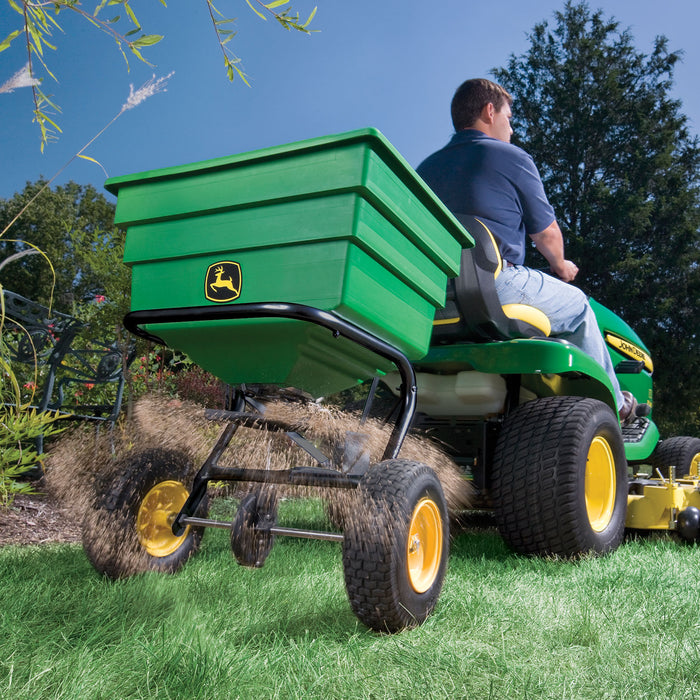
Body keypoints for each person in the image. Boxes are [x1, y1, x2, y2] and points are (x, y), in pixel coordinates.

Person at [416, 77, 638, 423]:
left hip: (431, 295)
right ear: (489, 112)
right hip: (490, 285)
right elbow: (546, 233)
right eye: (508, 117)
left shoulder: (425, 168)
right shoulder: (509, 156)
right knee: (578, 307)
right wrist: (562, 265)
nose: (512, 129)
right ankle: (615, 407)